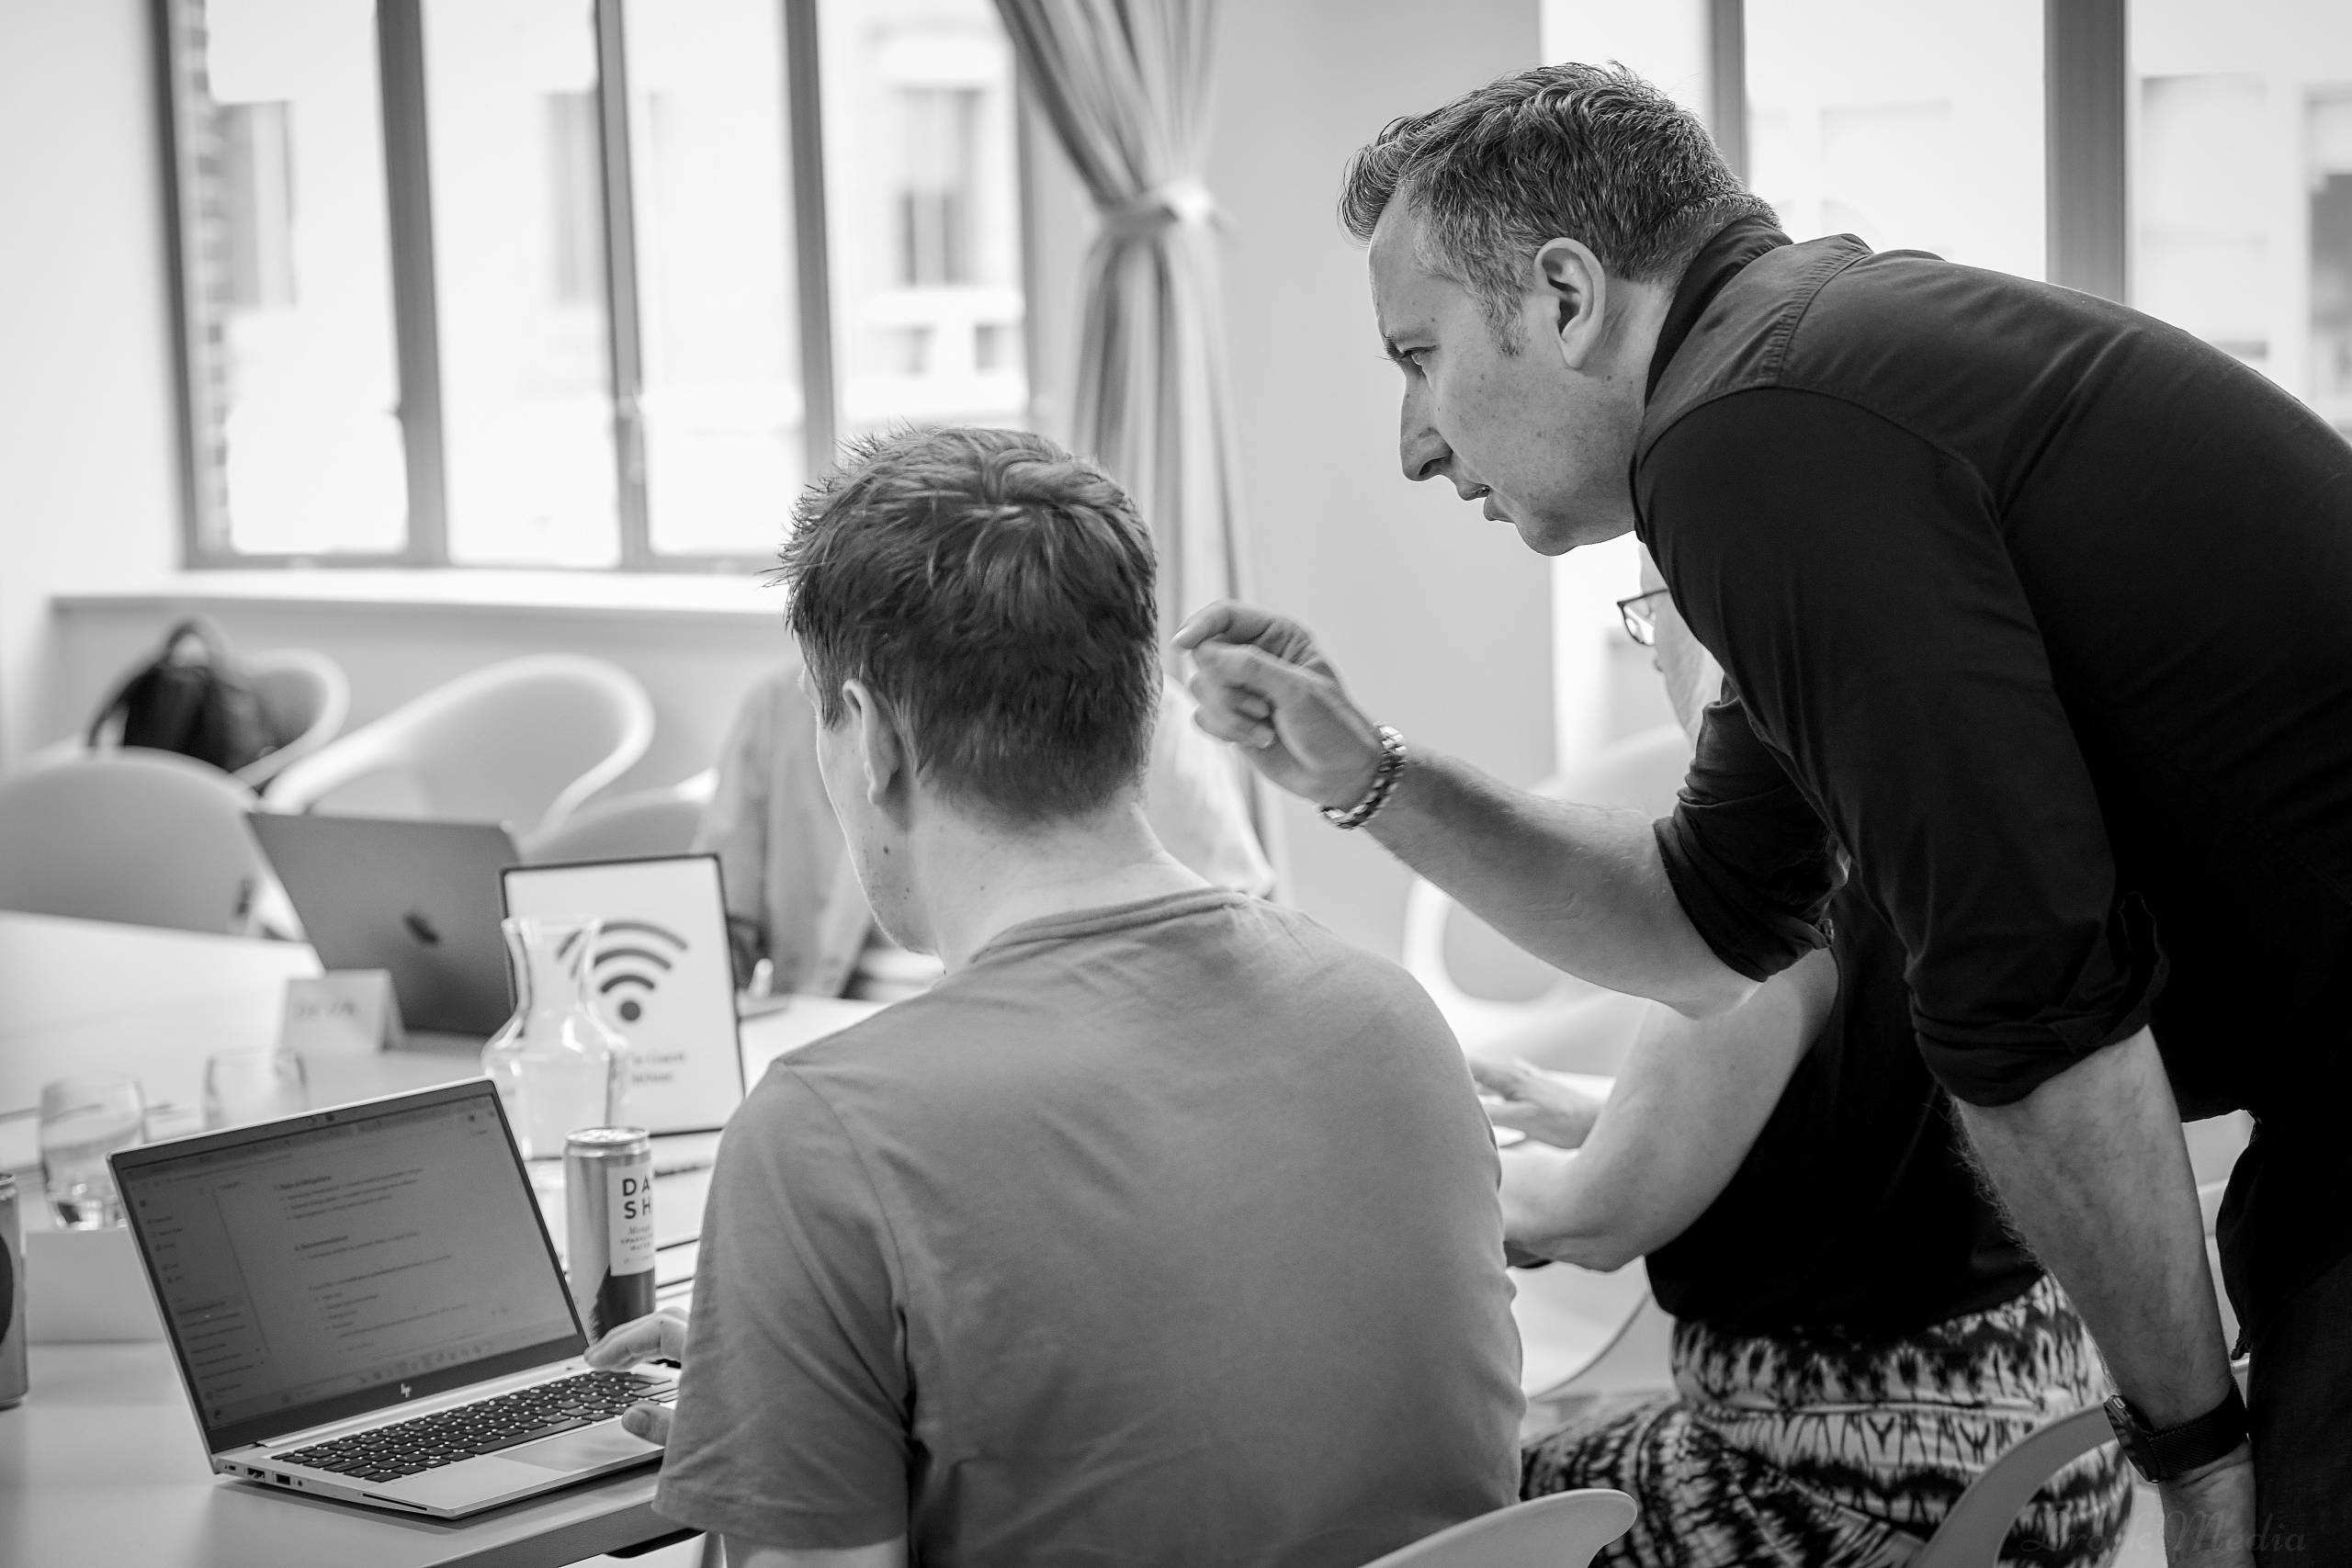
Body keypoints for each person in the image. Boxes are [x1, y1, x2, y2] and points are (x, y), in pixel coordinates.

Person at [1180, 63, 2352, 1565]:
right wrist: (1366, 772)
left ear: (1564, 297)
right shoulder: (1802, 375)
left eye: (1420, 356)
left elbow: (2030, 1004)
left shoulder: (1750, 432)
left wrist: (2192, 1457)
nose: (1414, 440)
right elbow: (1707, 919)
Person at [591, 425, 1521, 1568]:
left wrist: (776, 1455)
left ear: (871, 737)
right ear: (1136, 707)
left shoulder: (825, 1134)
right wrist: (793, 1396)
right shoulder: (1395, 1020)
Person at [1483, 563, 2129, 1566]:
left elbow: (1594, 1220)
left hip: (1864, 1490)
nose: (1653, 654)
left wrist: (1445, 1176)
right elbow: (1871, 1123)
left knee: (1484, 1508)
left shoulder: (1767, 890)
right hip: (2057, 1455)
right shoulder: (1960, 820)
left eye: (1654, 614)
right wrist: (1604, 1119)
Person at [698, 658, 1272, 999]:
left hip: (1065, 1042)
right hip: (834, 1027)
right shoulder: (784, 706)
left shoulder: (1150, 714)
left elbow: (1228, 932)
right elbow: (715, 931)